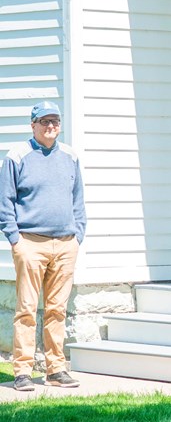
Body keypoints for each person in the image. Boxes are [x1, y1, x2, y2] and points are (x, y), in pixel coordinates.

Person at [0, 101, 86, 391]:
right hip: (30, 243)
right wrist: (15, 239)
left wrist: (78, 235)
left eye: (55, 121)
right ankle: (23, 371)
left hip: (65, 243)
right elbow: (5, 202)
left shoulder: (70, 156)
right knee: (26, 309)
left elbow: (78, 201)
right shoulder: (18, 156)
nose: (51, 127)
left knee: (57, 310)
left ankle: (56, 369)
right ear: (33, 125)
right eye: (45, 122)